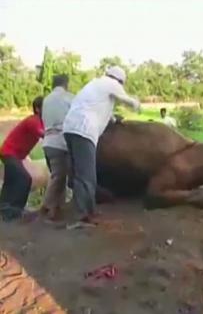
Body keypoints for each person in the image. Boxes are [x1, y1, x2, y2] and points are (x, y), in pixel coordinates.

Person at [62, 66, 140, 227]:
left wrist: (112, 118)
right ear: (120, 81)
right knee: (87, 176)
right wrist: (137, 104)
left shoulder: (95, 84)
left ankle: (80, 212)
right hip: (84, 130)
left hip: (70, 129)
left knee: (78, 174)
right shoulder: (111, 83)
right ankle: (83, 217)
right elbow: (128, 101)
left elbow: (96, 107)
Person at [0, 96, 44, 221]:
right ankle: (16, 209)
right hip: (9, 153)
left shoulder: (39, 121)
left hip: (11, 154)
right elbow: (43, 134)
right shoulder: (33, 121)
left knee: (10, 182)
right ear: (37, 109)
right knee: (24, 179)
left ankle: (4, 208)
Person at [40, 74, 74, 220]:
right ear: (65, 84)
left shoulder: (46, 100)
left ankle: (56, 209)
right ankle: (46, 206)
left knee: (59, 175)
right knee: (59, 177)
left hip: (47, 142)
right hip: (60, 142)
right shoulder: (68, 98)